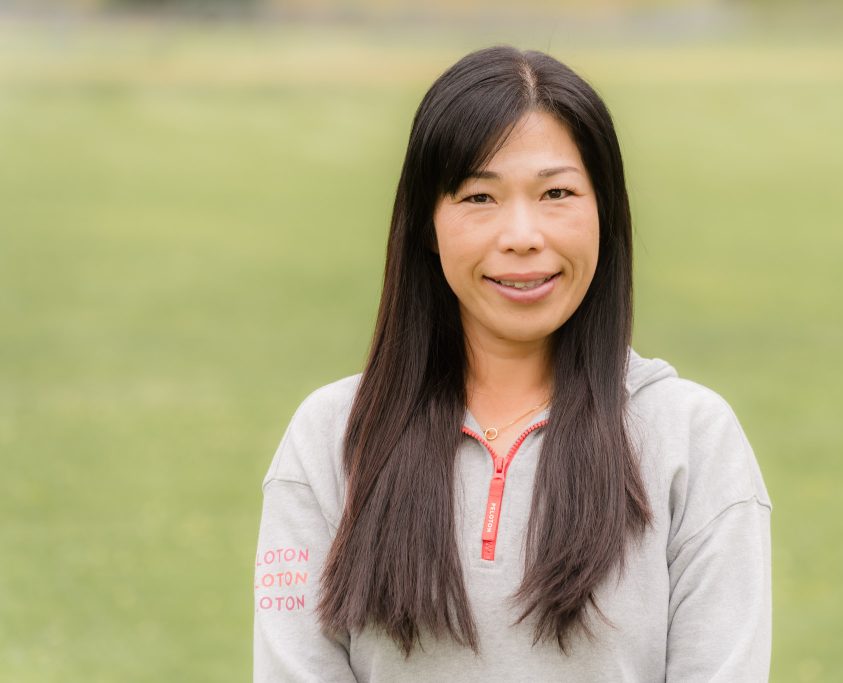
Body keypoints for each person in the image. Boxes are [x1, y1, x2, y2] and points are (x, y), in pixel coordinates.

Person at [253, 44, 772, 682]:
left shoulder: (692, 438)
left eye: (556, 192)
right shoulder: (333, 437)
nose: (522, 235)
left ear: (604, 215)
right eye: (480, 198)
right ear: (426, 225)